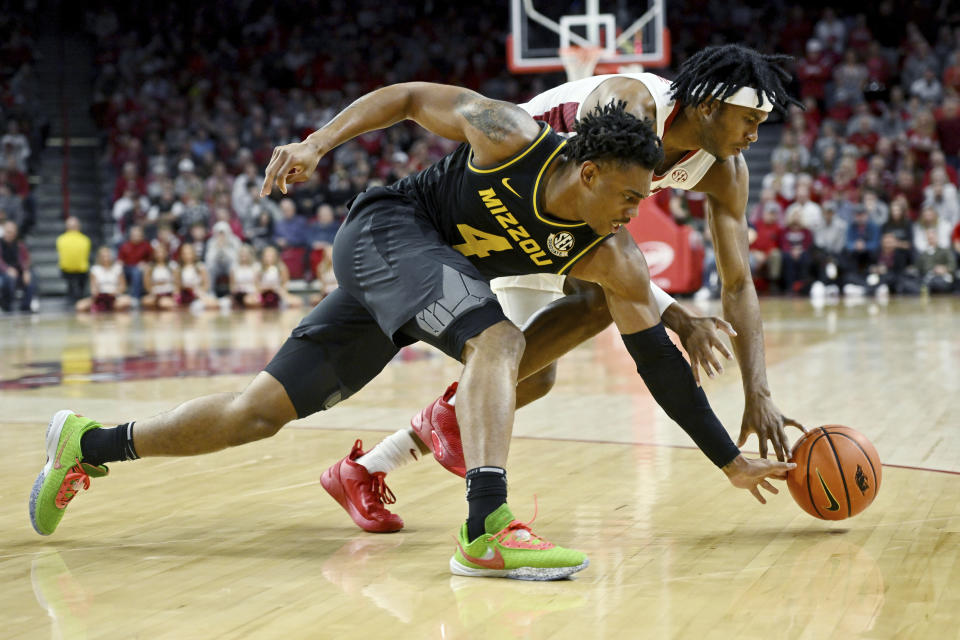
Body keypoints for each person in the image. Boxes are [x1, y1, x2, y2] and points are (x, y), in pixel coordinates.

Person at [28, 81, 793, 582]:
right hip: (387, 233)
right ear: (588, 174)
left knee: (256, 414)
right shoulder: (513, 135)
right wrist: (316, 144)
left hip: (430, 280)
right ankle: (486, 524)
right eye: (628, 197)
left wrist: (727, 459)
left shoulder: (612, 252)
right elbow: (406, 97)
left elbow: (655, 361)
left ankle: (90, 444)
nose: (636, 214)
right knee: (500, 342)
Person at [320, 45, 806, 533]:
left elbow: (739, 283)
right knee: (571, 322)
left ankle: (369, 466)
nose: (755, 134)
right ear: (708, 107)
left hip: (560, 231)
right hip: (502, 201)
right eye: (749, 118)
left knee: (534, 375)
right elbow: (600, 244)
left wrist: (757, 391)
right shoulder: (629, 104)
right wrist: (678, 317)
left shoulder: (725, 170)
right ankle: (459, 466)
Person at [75, 246, 133, 313]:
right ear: (99, 257)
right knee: (80, 306)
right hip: (100, 297)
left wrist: (115, 292)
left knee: (125, 303)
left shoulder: (117, 268)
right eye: (103, 256)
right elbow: (93, 287)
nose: (106, 258)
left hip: (115, 296)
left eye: (107, 256)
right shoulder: (95, 269)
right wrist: (95, 293)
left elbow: (123, 287)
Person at [0, 219, 34, 312]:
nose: (9, 234)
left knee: (32, 277)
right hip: (3, 272)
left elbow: (26, 259)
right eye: (7, 232)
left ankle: (25, 307)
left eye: (11, 232)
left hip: (18, 271)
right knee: (9, 279)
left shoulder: (20, 245)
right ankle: (7, 306)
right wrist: (7, 269)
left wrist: (26, 271)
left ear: (15, 233)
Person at [56, 216, 91, 305]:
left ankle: (75, 297)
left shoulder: (61, 239)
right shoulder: (85, 240)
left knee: (75, 284)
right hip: (74, 269)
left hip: (75, 269)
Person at [140, 243, 177, 310]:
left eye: (162, 252)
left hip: (168, 293)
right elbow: (147, 285)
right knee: (145, 301)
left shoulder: (172, 266)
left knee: (164, 303)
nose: (160, 254)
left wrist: (174, 295)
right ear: (154, 254)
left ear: (166, 253)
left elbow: (177, 283)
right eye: (157, 252)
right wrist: (152, 292)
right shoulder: (150, 267)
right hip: (155, 294)